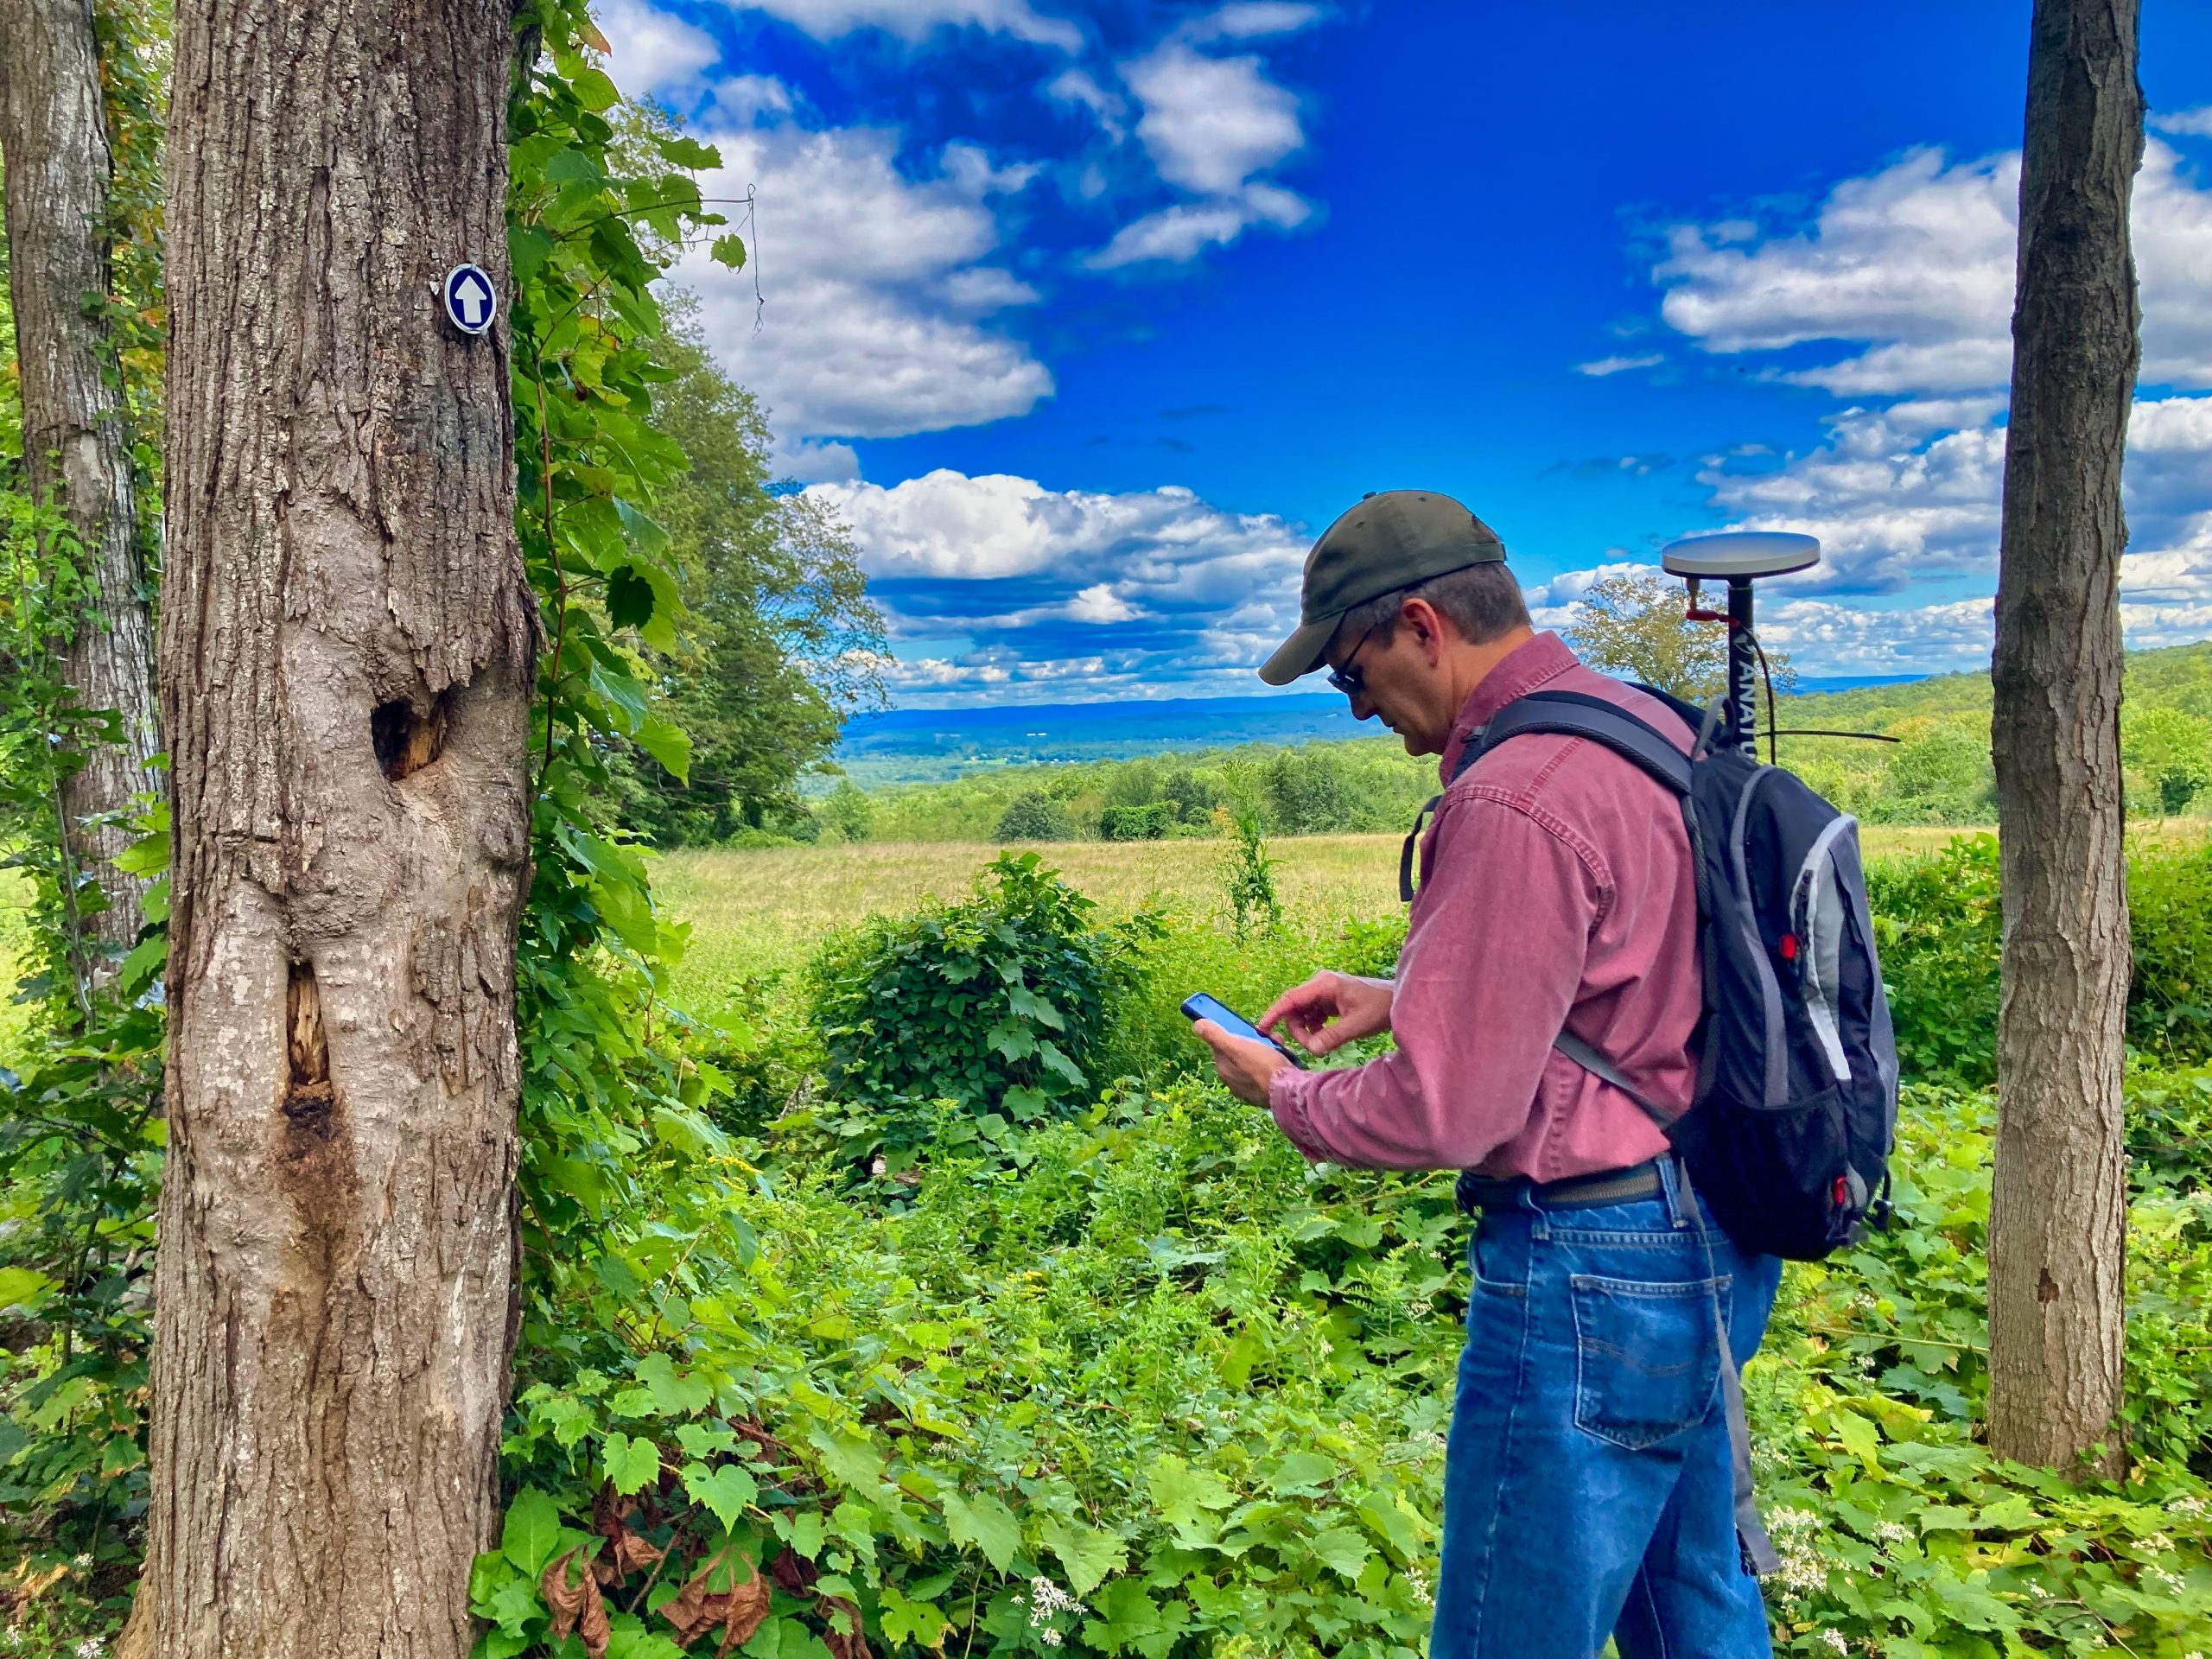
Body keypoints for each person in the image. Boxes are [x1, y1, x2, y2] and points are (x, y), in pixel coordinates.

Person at [1192, 490, 1779, 1659]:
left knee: (1510, 1632)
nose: (1358, 712)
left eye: (1349, 676)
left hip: (1592, 1273)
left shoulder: (1510, 793)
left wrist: (1281, 1093)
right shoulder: (1640, 729)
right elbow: (1635, 979)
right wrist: (1402, 997)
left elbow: (1449, 1108)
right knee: (1694, 1607)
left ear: (1421, 624)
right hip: (1710, 1231)